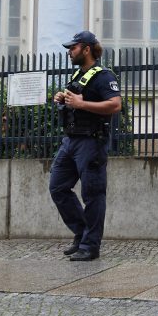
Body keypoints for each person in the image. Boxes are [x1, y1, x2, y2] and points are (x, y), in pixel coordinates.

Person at [49, 30, 122, 262]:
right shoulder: (78, 75)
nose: (70, 52)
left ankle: (91, 245)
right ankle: (81, 234)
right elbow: (75, 103)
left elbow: (115, 105)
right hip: (70, 141)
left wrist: (81, 103)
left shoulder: (104, 76)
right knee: (58, 187)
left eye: (73, 48)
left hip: (91, 142)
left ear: (87, 49)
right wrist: (64, 99)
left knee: (93, 194)